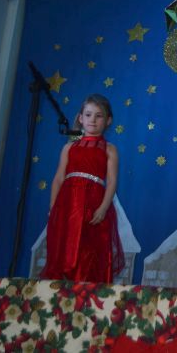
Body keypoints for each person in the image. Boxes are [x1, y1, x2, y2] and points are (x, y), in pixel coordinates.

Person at [41, 94, 125, 283]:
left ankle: (85, 291)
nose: (92, 120)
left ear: (108, 120)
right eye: (88, 115)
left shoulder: (109, 149)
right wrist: (53, 207)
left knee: (89, 249)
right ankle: (62, 289)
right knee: (65, 245)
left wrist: (103, 208)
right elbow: (58, 178)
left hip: (92, 205)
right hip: (68, 203)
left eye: (98, 116)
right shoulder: (69, 147)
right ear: (80, 118)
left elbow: (112, 181)